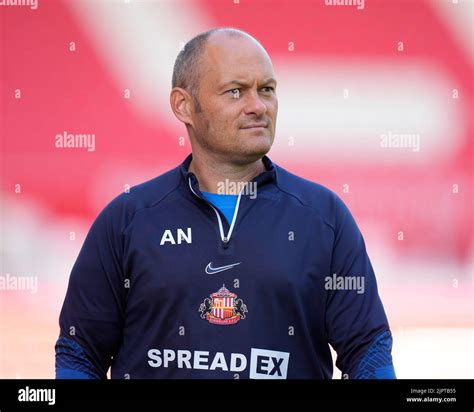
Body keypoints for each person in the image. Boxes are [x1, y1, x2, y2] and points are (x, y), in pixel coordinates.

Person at [55, 27, 396, 379]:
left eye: (267, 90)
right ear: (183, 105)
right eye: (235, 92)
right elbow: (80, 353)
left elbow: (368, 351)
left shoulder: (324, 218)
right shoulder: (127, 220)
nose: (257, 106)